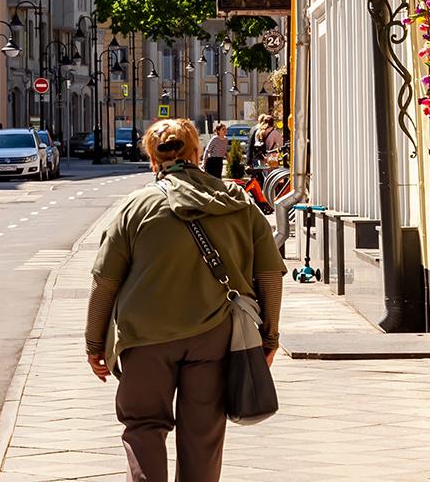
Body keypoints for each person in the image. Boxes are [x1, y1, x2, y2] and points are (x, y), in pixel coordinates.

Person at [86, 118, 284, 482]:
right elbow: (270, 275)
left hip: (145, 339)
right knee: (203, 435)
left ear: (152, 159)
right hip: (214, 336)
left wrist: (94, 344)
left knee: (143, 427)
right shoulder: (236, 203)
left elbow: (105, 281)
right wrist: (269, 338)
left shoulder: (135, 207)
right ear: (197, 152)